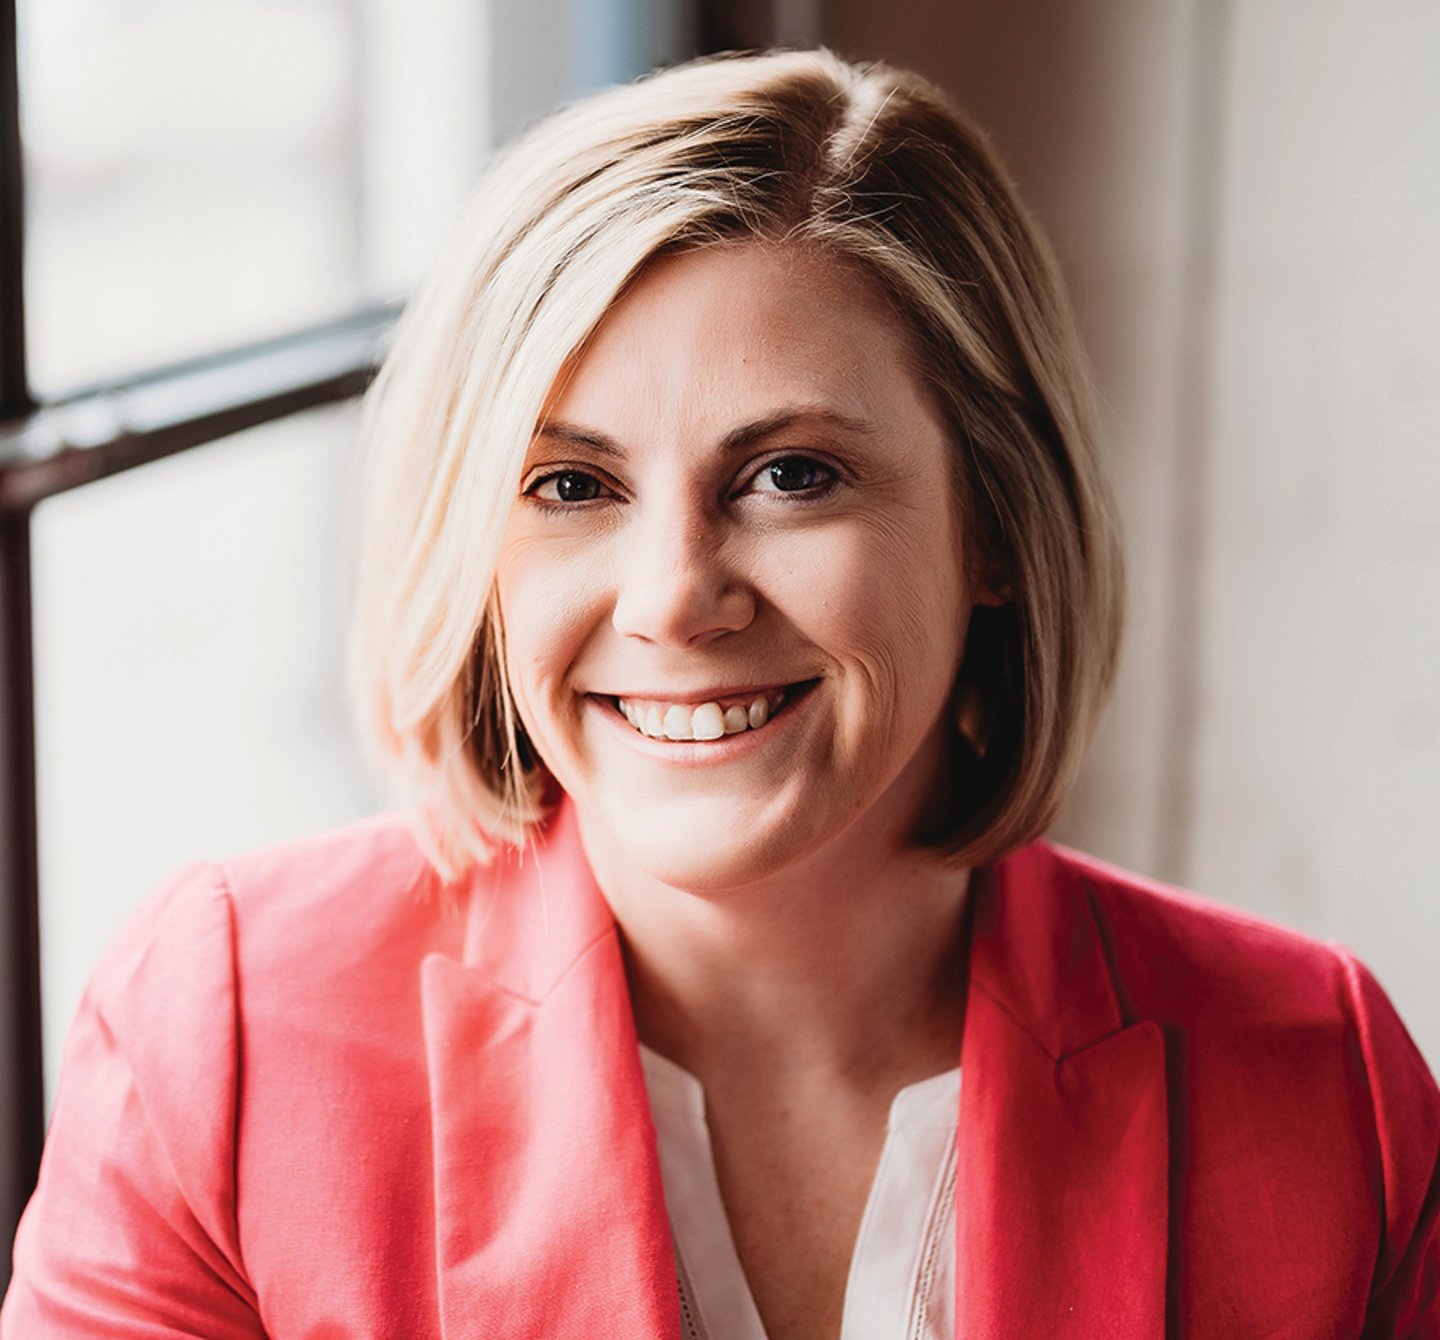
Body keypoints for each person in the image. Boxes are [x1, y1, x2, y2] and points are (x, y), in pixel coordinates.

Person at [3, 48, 1437, 1340]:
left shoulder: (1329, 1092)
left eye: (791, 474)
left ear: (994, 524)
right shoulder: (226, 1048)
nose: (675, 595)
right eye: (571, 485)